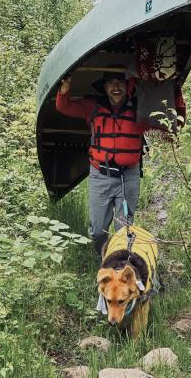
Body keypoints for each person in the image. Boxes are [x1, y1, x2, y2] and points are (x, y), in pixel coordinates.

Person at [56, 69, 144, 255]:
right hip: (100, 174)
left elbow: (164, 117)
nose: (116, 87)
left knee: (124, 228)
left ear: (128, 86)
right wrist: (64, 90)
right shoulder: (93, 107)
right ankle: (104, 262)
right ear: (105, 87)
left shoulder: (139, 107)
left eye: (120, 82)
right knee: (97, 230)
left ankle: (121, 268)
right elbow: (64, 108)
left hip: (128, 175)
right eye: (111, 83)